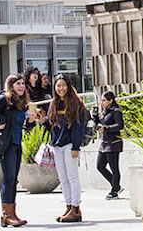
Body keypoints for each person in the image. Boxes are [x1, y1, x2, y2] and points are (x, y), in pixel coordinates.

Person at [0, 74, 36, 227]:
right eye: (18, 84)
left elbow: (25, 127)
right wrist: (0, 121)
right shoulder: (5, 99)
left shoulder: (21, 102)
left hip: (16, 143)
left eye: (22, 84)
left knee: (13, 179)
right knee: (8, 179)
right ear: (11, 86)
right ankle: (6, 214)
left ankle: (11, 213)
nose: (21, 86)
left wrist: (32, 121)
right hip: (5, 144)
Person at [39, 74, 87, 223]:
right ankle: (68, 206)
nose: (61, 89)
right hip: (57, 145)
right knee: (63, 178)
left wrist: (76, 147)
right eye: (58, 86)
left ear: (69, 86)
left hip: (69, 145)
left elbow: (78, 126)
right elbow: (50, 125)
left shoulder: (75, 103)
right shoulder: (54, 103)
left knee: (72, 177)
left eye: (63, 85)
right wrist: (41, 120)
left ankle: (76, 208)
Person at [93, 91, 125, 199]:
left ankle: (114, 190)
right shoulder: (105, 112)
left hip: (113, 143)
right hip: (104, 143)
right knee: (100, 166)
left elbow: (120, 125)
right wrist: (95, 117)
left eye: (104, 100)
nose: (102, 103)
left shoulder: (116, 111)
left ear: (110, 100)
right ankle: (116, 185)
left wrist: (106, 128)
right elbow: (100, 124)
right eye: (101, 100)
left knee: (114, 167)